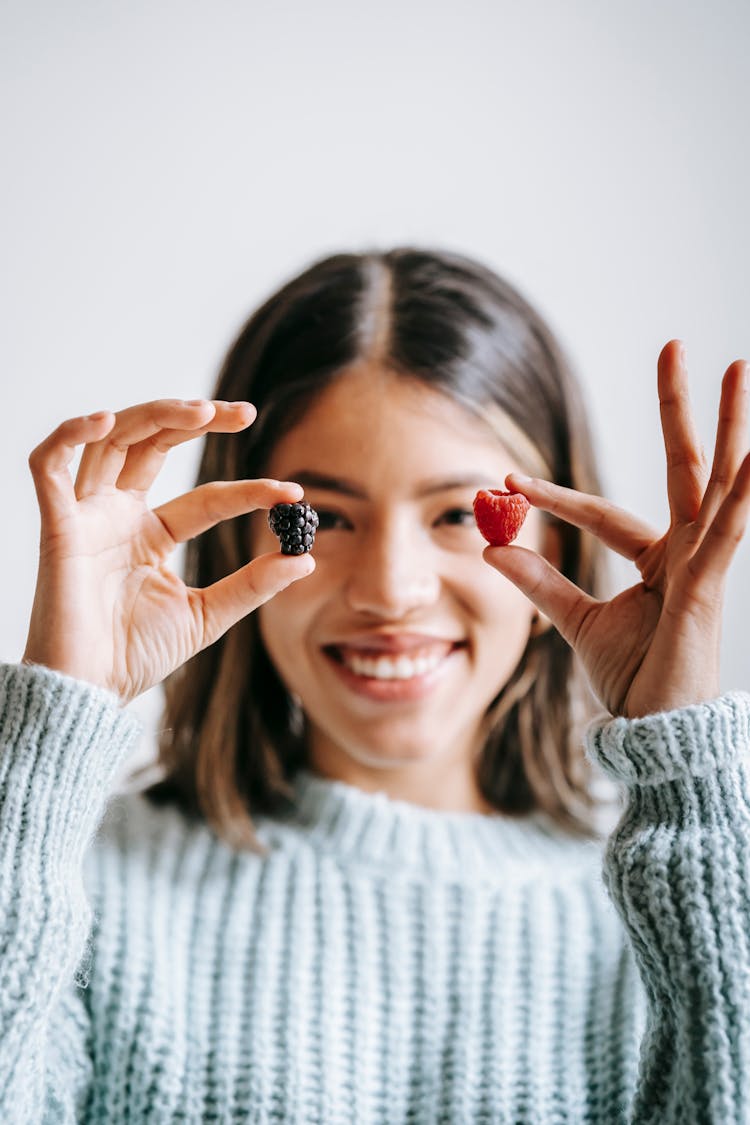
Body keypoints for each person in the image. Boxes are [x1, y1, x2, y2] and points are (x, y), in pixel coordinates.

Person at [1, 248, 748, 1124]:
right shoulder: (72, 887)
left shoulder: (673, 911)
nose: (392, 590)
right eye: (321, 518)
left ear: (560, 549)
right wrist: (50, 741)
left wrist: (686, 786)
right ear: (235, 540)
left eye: (459, 515)